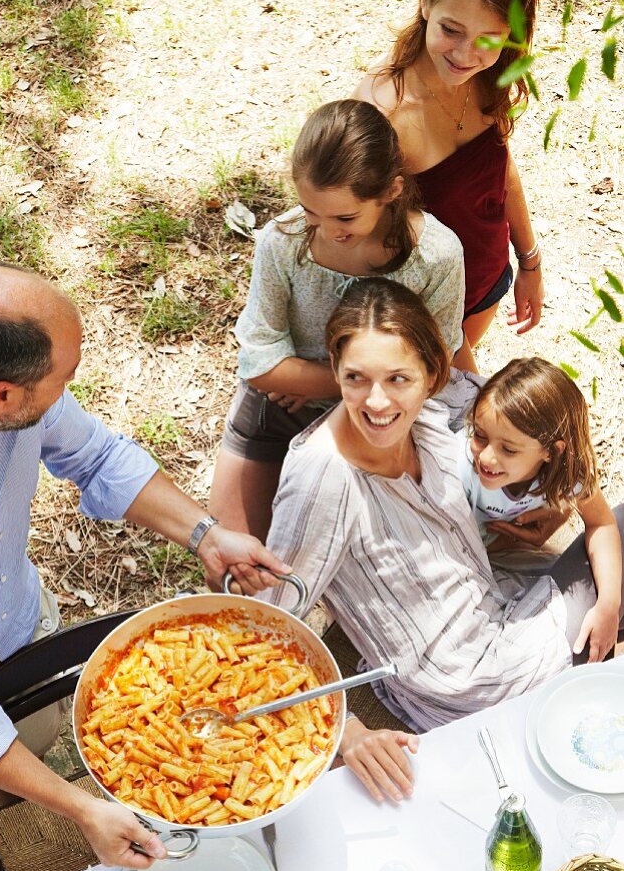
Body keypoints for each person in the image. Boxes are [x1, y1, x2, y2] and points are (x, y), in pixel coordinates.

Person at [0, 263, 289, 871]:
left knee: (28, 738)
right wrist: (82, 809)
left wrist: (206, 535)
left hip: (13, 622)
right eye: (63, 380)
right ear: (1, 398)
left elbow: (99, 458)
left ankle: (17, 793)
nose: (69, 391)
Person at [262, 278, 624, 801]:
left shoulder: (440, 410)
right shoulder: (322, 480)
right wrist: (347, 732)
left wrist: (551, 502)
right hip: (476, 677)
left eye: (398, 378)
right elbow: (265, 625)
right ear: (334, 373)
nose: (377, 400)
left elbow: (526, 423)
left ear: (433, 374)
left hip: (496, 608)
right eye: (355, 378)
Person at [208, 98, 477, 540]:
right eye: (311, 211)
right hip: (279, 410)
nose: (327, 230)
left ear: (391, 191)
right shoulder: (282, 242)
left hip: (382, 415)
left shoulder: (437, 256)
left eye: (346, 216)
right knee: (234, 566)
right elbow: (259, 366)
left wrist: (316, 381)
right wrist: (354, 380)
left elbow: (436, 364)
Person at [354, 0, 543, 346]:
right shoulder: (381, 115)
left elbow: (498, 166)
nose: (465, 55)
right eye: (451, 30)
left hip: (488, 280)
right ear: (425, 3)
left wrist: (529, 261)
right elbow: (350, 239)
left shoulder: (490, 73)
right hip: (421, 315)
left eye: (489, 38)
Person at [458, 357, 623, 662]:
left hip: (506, 553)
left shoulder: (566, 473)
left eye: (508, 449)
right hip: (472, 564)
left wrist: (609, 606)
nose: (487, 458)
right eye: (480, 435)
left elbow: (602, 524)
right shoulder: (460, 470)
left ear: (551, 451)